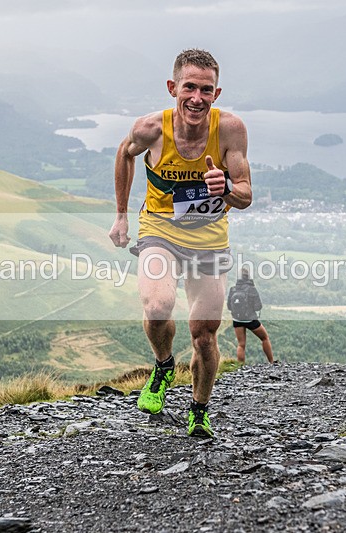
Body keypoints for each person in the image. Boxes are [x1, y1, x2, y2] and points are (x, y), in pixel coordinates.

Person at [108, 49, 252, 438]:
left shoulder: (230, 130)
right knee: (157, 306)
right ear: (173, 88)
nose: (197, 98)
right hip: (161, 231)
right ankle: (164, 364)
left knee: (204, 335)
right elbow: (125, 154)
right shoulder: (151, 128)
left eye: (206, 90)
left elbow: (246, 194)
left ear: (216, 93)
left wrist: (226, 189)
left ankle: (199, 410)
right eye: (189, 87)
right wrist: (121, 215)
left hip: (209, 242)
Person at [228, 267, 274, 364]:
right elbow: (258, 307)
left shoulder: (233, 289)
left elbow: (229, 306)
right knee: (265, 338)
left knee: (241, 344)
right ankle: (271, 362)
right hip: (250, 320)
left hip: (237, 319)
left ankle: (240, 367)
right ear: (248, 277)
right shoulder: (252, 289)